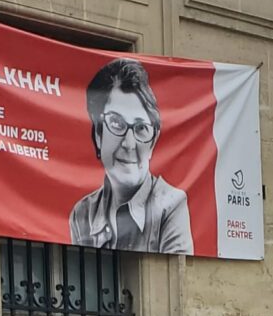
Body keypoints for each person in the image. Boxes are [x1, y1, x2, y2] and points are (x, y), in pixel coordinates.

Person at [69, 58, 193, 255]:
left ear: (153, 142)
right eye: (116, 123)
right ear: (98, 134)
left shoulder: (172, 206)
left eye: (141, 128)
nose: (128, 143)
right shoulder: (82, 213)